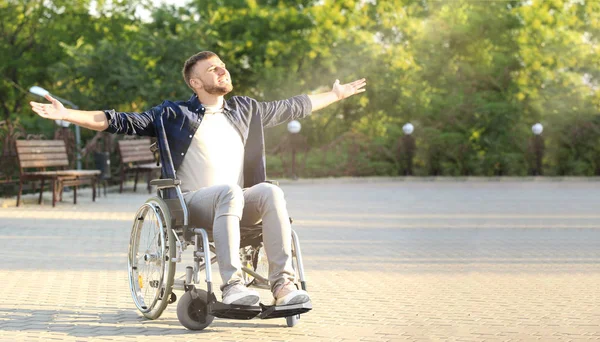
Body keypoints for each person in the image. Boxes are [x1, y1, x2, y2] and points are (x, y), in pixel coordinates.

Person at [30, 51, 366, 307]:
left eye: (223, 66)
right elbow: (117, 121)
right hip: (193, 205)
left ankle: (283, 285)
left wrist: (335, 96)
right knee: (228, 193)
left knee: (270, 192)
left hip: (237, 202)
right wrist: (65, 114)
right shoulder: (173, 114)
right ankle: (233, 285)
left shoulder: (245, 109)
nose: (223, 70)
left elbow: (293, 106)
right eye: (213, 69)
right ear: (195, 82)